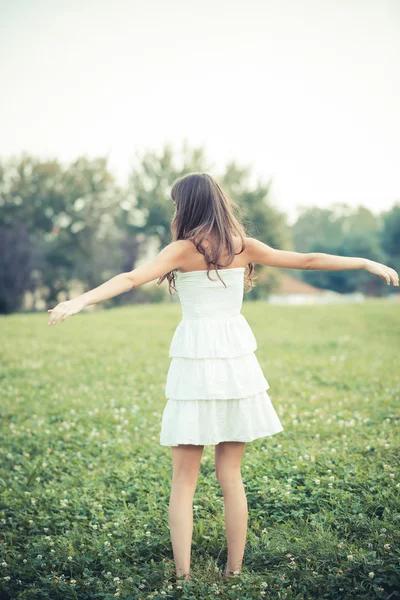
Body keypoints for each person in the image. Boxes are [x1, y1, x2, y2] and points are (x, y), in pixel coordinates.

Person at [47, 172, 399, 581]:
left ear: (187, 207)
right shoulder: (242, 247)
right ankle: (234, 571)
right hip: (236, 365)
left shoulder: (181, 250)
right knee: (230, 474)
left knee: (184, 479)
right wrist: (366, 262)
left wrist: (80, 299)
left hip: (196, 363)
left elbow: (130, 279)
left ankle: (183, 576)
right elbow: (307, 260)